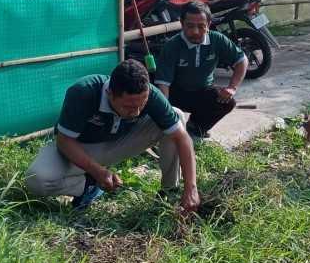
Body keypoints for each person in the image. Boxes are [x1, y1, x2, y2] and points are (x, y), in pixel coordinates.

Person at [25, 59, 200, 213]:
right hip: (80, 149)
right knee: (37, 179)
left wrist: (191, 187)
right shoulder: (84, 92)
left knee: (176, 117)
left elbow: (182, 138)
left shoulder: (151, 95)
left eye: (142, 104)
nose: (136, 112)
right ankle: (88, 186)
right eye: (128, 107)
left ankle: (169, 193)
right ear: (110, 93)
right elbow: (64, 141)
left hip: (122, 143)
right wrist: (97, 171)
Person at [154, 1, 248, 140]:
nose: (195, 32)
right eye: (190, 26)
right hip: (176, 93)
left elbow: (242, 60)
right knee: (158, 106)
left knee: (228, 102)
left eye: (201, 26)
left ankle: (196, 127)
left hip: (203, 91)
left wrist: (232, 87)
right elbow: (163, 84)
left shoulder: (217, 39)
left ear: (208, 25)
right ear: (181, 23)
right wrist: (167, 115)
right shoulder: (171, 46)